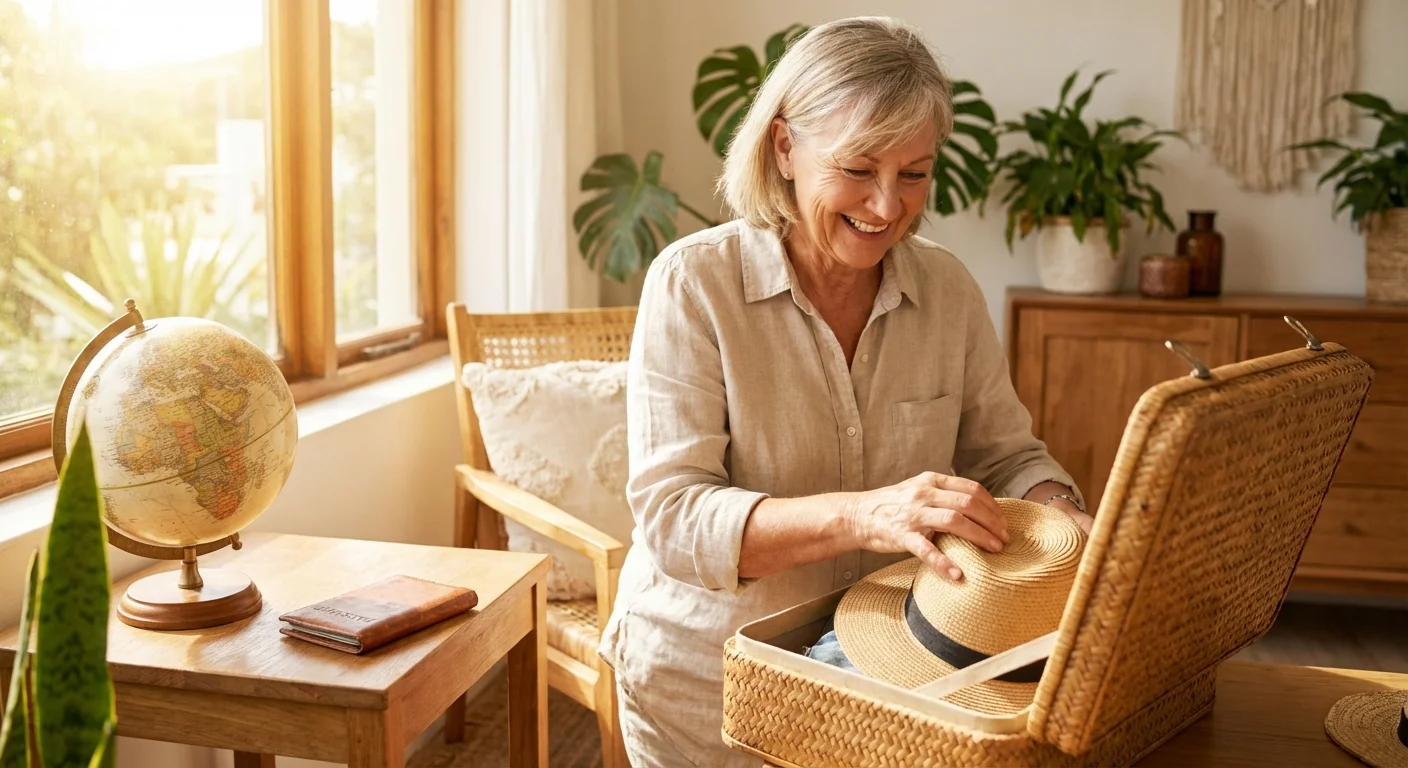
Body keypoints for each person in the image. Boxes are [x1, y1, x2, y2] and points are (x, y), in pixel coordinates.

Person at [597, 16, 1090, 768]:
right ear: (786, 148)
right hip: (711, 683)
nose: (888, 207)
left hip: (898, 677)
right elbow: (674, 519)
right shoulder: (694, 283)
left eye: (914, 173)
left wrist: (1062, 514)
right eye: (859, 169)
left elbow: (1006, 455)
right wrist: (866, 515)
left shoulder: (949, 289)